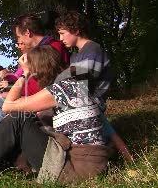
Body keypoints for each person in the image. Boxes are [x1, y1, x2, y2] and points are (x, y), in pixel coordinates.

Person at [0, 45, 114, 183]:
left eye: (32, 70)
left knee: (18, 117)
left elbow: (8, 106)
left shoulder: (63, 89)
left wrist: (23, 74)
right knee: (26, 118)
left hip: (76, 169)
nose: (32, 76)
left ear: (39, 69)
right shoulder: (74, 86)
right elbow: (107, 129)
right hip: (85, 164)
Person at [0, 13, 71, 139]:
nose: (19, 41)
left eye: (19, 36)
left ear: (28, 33)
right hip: (30, 96)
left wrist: (15, 93)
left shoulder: (52, 49)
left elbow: (45, 83)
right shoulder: (37, 52)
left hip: (40, 99)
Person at [54, 11, 134, 163]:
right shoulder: (76, 56)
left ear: (76, 30)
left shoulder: (93, 50)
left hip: (92, 101)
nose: (61, 38)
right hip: (82, 101)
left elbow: (83, 86)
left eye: (63, 33)